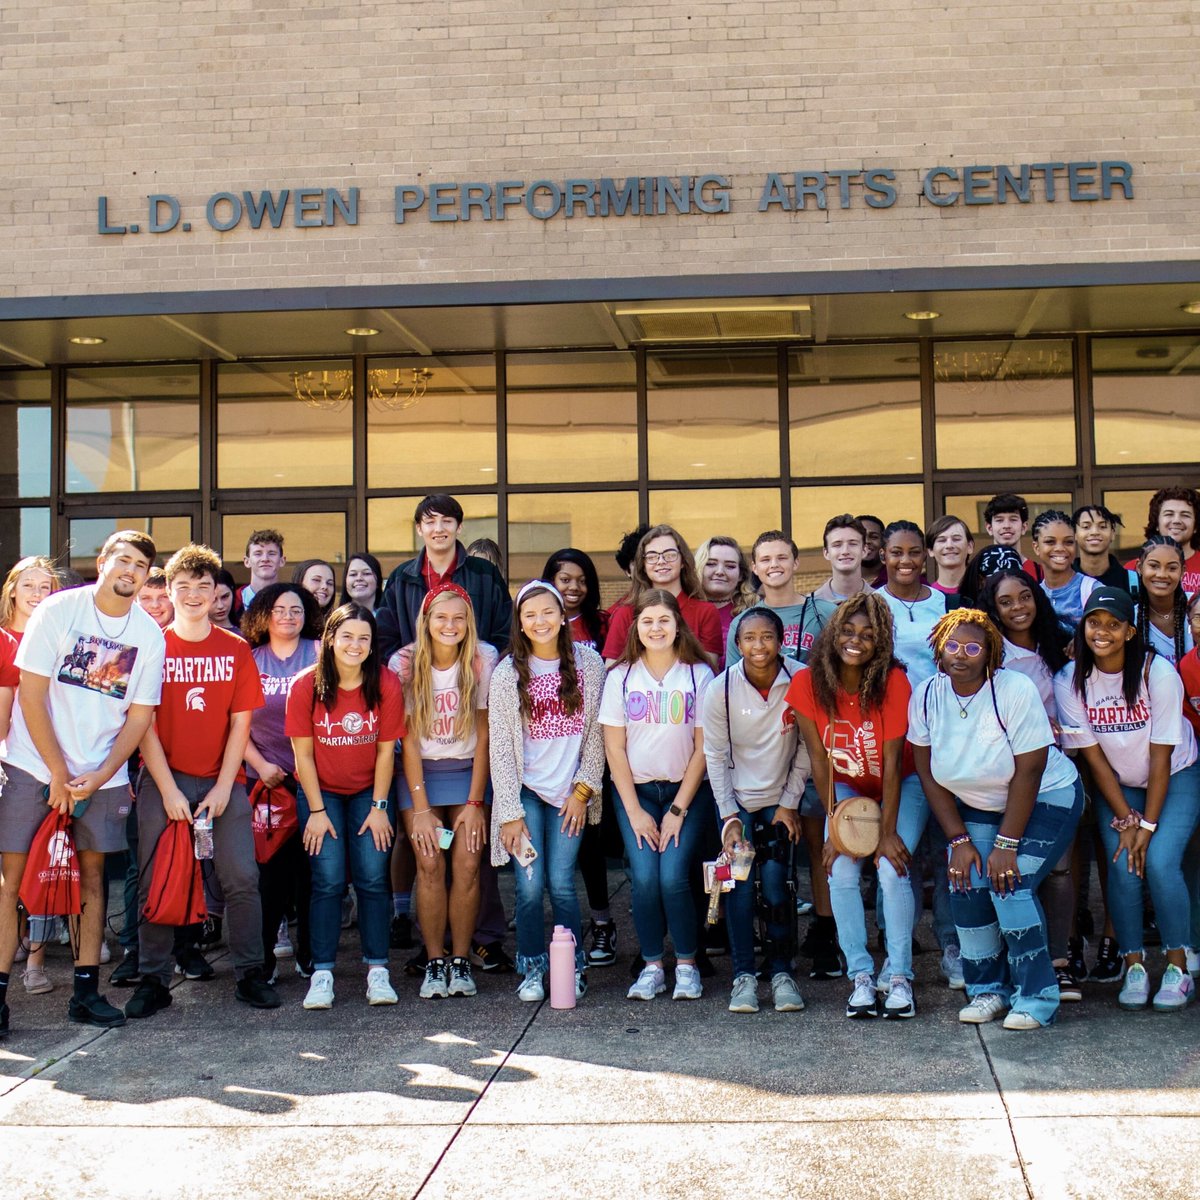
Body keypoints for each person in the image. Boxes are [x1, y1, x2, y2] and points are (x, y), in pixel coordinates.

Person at [0, 530, 166, 1035]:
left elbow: (139, 718)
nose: (130, 570)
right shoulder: (59, 611)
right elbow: (31, 692)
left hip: (104, 774)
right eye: (123, 559)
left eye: (140, 565)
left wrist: (98, 775)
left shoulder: (148, 634)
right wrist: (55, 769)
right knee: (12, 882)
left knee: (92, 879)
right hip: (32, 764)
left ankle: (86, 991)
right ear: (103, 561)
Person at [124, 544, 279, 1020]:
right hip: (163, 782)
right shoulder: (152, 644)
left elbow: (240, 724)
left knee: (241, 878)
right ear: (168, 591)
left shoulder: (234, 648)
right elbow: (142, 723)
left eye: (203, 587)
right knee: (158, 880)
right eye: (183, 586)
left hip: (222, 783)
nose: (193, 594)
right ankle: (153, 978)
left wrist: (222, 786)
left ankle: (251, 972)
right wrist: (168, 789)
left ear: (218, 594)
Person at [910, 609, 1082, 1029]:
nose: (961, 655)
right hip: (980, 804)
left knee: (1011, 884)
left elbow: (1030, 770)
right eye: (952, 645)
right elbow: (929, 773)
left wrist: (1006, 846)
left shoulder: (1014, 689)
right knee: (965, 882)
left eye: (973, 647)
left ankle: (1037, 997)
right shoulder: (928, 695)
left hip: (1046, 795)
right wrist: (957, 840)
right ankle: (987, 991)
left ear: (990, 652)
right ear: (938, 649)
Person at [1054, 586, 1200, 1011]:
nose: (1102, 632)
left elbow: (1161, 755)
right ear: (1082, 628)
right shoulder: (1070, 680)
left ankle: (1176, 966)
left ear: (1130, 632)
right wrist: (1127, 820)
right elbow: (1095, 760)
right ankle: (1134, 964)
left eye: (1113, 625)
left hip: (1175, 775)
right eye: (1094, 623)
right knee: (1122, 864)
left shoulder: (1159, 674)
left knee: (1158, 860)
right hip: (1119, 784)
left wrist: (1148, 825)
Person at [788, 593, 921, 1019]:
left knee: (889, 866)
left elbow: (895, 766)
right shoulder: (808, 683)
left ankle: (898, 975)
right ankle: (861, 976)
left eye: (868, 634)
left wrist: (886, 833)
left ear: (881, 642)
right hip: (846, 786)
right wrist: (833, 827)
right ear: (833, 633)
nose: (856, 640)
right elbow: (820, 763)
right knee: (839, 868)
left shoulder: (894, 682)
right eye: (848, 631)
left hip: (902, 784)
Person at [490, 581, 605, 1002]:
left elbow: (596, 733)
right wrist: (508, 811)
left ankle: (571, 967)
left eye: (546, 612)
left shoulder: (588, 665)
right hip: (526, 793)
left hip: (569, 793)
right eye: (529, 614)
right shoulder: (506, 674)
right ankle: (534, 967)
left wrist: (583, 789)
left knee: (560, 882)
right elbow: (500, 747)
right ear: (519, 623)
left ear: (562, 616)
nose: (539, 621)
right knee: (528, 885)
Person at [286, 603, 406, 1010]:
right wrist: (316, 812)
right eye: (348, 636)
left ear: (373, 646)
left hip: (370, 793)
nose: (355, 645)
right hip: (322, 795)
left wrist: (379, 807)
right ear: (331, 639)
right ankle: (322, 973)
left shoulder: (386, 683)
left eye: (364, 638)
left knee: (373, 878)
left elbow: (387, 753)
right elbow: (302, 757)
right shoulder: (305, 685)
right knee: (328, 880)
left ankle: (378, 971)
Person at [601, 590, 714, 1002]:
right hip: (638, 793)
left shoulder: (699, 674)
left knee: (674, 877)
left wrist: (678, 811)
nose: (656, 628)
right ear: (636, 627)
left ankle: (686, 965)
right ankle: (652, 966)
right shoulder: (621, 677)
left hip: (688, 792)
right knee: (646, 879)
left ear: (678, 624)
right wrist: (634, 812)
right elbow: (614, 749)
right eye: (647, 621)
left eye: (664, 620)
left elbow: (704, 749)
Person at [977, 570, 1083, 999]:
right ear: (993, 609)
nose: (1018, 607)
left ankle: (1059, 961)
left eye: (1025, 597)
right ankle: (1016, 961)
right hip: (1004, 779)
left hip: (1057, 776)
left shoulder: (1060, 648)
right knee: (1010, 873)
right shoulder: (989, 657)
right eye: (1006, 601)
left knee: (1058, 870)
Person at [392, 583, 497, 1001]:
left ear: (468, 621)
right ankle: (434, 960)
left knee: (469, 863)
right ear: (426, 621)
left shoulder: (483, 659)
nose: (450, 625)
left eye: (458, 618)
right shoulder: (404, 662)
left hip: (470, 770)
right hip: (422, 775)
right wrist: (420, 808)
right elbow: (411, 742)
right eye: (441, 617)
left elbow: (486, 734)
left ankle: (459, 959)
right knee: (429, 862)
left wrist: (475, 803)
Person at [703, 608, 809, 1015]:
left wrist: (789, 803)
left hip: (780, 799)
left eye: (767, 637)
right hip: (737, 801)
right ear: (737, 643)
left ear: (781, 640)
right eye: (749, 638)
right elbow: (714, 753)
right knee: (739, 887)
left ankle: (782, 973)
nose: (759, 646)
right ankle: (743, 976)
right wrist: (729, 816)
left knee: (777, 885)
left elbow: (806, 747)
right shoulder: (721, 690)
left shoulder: (800, 678)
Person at [241, 582, 324, 982]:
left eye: (296, 609)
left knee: (313, 875)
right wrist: (260, 764)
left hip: (313, 784)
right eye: (279, 609)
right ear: (263, 614)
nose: (288, 616)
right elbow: (233, 724)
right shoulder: (249, 658)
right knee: (268, 878)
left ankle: (310, 954)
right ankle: (265, 961)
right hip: (263, 783)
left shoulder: (321, 653)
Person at [541, 547, 615, 967]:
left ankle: (603, 923)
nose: (572, 587)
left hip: (592, 751)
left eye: (581, 580)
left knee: (590, 843)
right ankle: (552, 935)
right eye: (564, 578)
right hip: (547, 756)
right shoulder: (531, 622)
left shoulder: (601, 626)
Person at [0, 557, 60, 995]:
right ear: (13, 591)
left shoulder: (62, 639)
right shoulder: (3, 642)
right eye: (30, 585)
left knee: (48, 870)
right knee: (12, 876)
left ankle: (35, 963)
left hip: (57, 766)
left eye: (46, 586)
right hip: (13, 766)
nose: (38, 593)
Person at [377, 496, 512, 660]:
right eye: (430, 522)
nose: (439, 529)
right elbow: (385, 637)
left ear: (459, 527)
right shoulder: (401, 578)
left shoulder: (485, 574)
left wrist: (483, 667)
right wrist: (407, 671)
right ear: (419, 528)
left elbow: (505, 631)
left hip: (474, 679)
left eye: (447, 521)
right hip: (415, 680)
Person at [602, 526, 722, 663]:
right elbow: (611, 670)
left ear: (683, 560)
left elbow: (709, 672)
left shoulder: (706, 612)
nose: (661, 561)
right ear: (644, 565)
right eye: (652, 556)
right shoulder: (625, 613)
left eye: (670, 555)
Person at [877, 520, 948, 687]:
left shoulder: (946, 603)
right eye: (896, 553)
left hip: (938, 704)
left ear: (924, 555)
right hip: (891, 705)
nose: (906, 560)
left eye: (914, 552)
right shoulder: (872, 605)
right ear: (883, 555)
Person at [1125, 486, 1200, 595]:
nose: (1176, 521)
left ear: (1196, 526)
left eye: (1185, 515)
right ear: (1157, 523)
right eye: (1169, 514)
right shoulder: (1132, 569)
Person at [1030, 510, 1097, 632]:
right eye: (1050, 542)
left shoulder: (1093, 590)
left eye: (1068, 542)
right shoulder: (1033, 595)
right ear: (1036, 547)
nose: (1060, 548)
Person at [1134, 536, 1193, 666]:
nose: (1162, 574)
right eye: (1154, 566)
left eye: (1172, 568)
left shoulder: (1196, 606)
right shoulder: (1129, 618)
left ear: (1183, 571)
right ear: (1139, 567)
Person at [695, 536, 755, 653]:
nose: (720, 572)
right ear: (698, 568)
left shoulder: (753, 612)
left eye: (730, 566)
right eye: (711, 564)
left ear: (741, 575)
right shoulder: (683, 610)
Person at [543, 548, 608, 652]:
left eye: (582, 581)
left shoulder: (604, 622)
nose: (574, 587)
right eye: (565, 580)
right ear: (551, 581)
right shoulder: (538, 623)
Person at [1073, 504, 1133, 592]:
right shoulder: (1064, 579)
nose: (1094, 532)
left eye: (1102, 527)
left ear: (1113, 534)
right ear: (1075, 534)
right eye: (1086, 527)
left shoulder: (1131, 581)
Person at [983, 493, 1040, 581]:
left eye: (1013, 519)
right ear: (989, 528)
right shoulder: (979, 572)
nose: (1006, 526)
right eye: (999, 520)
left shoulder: (1039, 572)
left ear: (1024, 527)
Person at [926, 516, 974, 597]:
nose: (949, 545)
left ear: (970, 546)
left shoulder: (985, 593)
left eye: (956, 539)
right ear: (930, 550)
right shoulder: (926, 598)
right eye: (942, 540)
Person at [239, 529, 286, 611]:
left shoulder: (293, 601)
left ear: (282, 561)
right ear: (247, 561)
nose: (265, 559)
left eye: (271, 553)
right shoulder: (232, 602)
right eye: (258, 554)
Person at [293, 559, 337, 626]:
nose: (324, 586)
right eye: (316, 580)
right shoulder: (287, 621)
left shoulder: (336, 625)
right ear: (300, 583)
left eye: (330, 583)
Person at [210, 568, 241, 634]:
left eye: (225, 597)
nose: (220, 606)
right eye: (213, 600)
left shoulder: (246, 635)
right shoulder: (192, 636)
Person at [856, 514, 885, 584]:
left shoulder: (897, 581)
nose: (866, 541)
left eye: (874, 537)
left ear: (884, 542)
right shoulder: (836, 584)